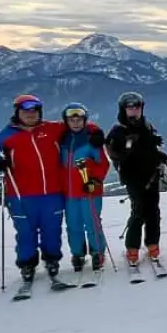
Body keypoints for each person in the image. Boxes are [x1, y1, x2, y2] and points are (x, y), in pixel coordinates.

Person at [0, 94, 69, 286]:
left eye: (34, 111)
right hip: (21, 195)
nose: (30, 114)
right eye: (25, 111)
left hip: (52, 192)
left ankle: (52, 259)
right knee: (25, 232)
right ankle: (27, 263)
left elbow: (78, 123)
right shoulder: (6, 135)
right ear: (17, 112)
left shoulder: (52, 129)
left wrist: (94, 131)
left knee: (52, 230)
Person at [105, 91, 167, 271]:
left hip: (151, 174)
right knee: (139, 211)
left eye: (137, 107)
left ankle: (152, 243)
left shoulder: (147, 125)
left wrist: (165, 159)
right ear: (123, 109)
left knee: (153, 211)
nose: (134, 110)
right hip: (132, 177)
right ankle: (132, 247)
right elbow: (114, 155)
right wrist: (128, 146)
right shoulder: (118, 130)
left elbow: (152, 150)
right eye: (130, 107)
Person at [58, 102, 110, 272]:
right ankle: (77, 253)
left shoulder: (91, 140)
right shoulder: (61, 140)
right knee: (73, 224)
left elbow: (102, 164)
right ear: (66, 121)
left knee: (92, 222)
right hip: (69, 192)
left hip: (89, 191)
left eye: (79, 119)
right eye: (71, 120)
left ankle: (97, 252)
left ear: (85, 120)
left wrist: (95, 180)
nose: (75, 123)